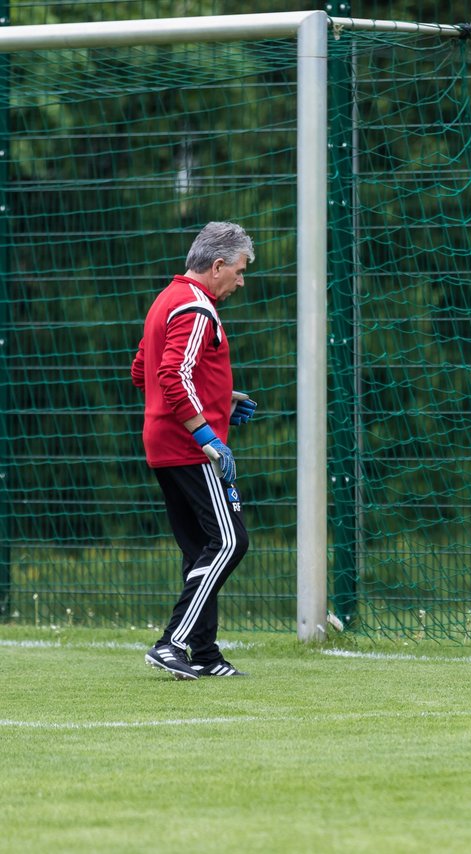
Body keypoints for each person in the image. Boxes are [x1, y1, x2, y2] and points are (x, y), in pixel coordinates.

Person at [131, 222, 258, 679]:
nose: (241, 281)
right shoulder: (195, 306)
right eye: (240, 271)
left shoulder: (167, 298)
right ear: (218, 265)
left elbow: (141, 370)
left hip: (164, 443)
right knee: (229, 540)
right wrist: (206, 433)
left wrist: (222, 400)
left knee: (200, 548)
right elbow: (170, 375)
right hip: (190, 447)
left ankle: (203, 654)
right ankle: (174, 643)